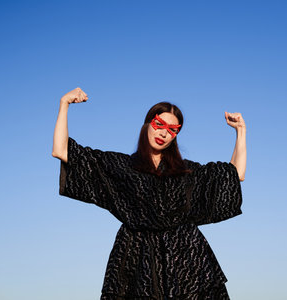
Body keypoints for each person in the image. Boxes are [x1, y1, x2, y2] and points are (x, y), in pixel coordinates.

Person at [52, 87, 247, 300]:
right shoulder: (123, 167)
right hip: (136, 260)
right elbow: (61, 151)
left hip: (186, 261)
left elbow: (235, 174)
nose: (163, 133)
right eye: (159, 125)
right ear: (148, 124)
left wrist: (241, 131)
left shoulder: (186, 172)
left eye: (173, 130)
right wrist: (64, 104)